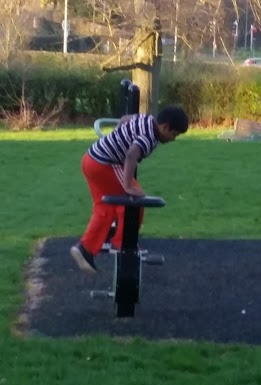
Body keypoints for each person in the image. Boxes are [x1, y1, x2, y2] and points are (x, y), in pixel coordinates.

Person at [70, 105, 189, 274]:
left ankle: (85, 249)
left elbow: (125, 119)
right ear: (165, 127)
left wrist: (119, 137)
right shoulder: (149, 138)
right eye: (173, 134)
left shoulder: (146, 119)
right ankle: (123, 245)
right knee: (136, 200)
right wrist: (128, 186)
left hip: (90, 159)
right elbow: (132, 155)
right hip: (104, 164)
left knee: (104, 207)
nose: (173, 139)